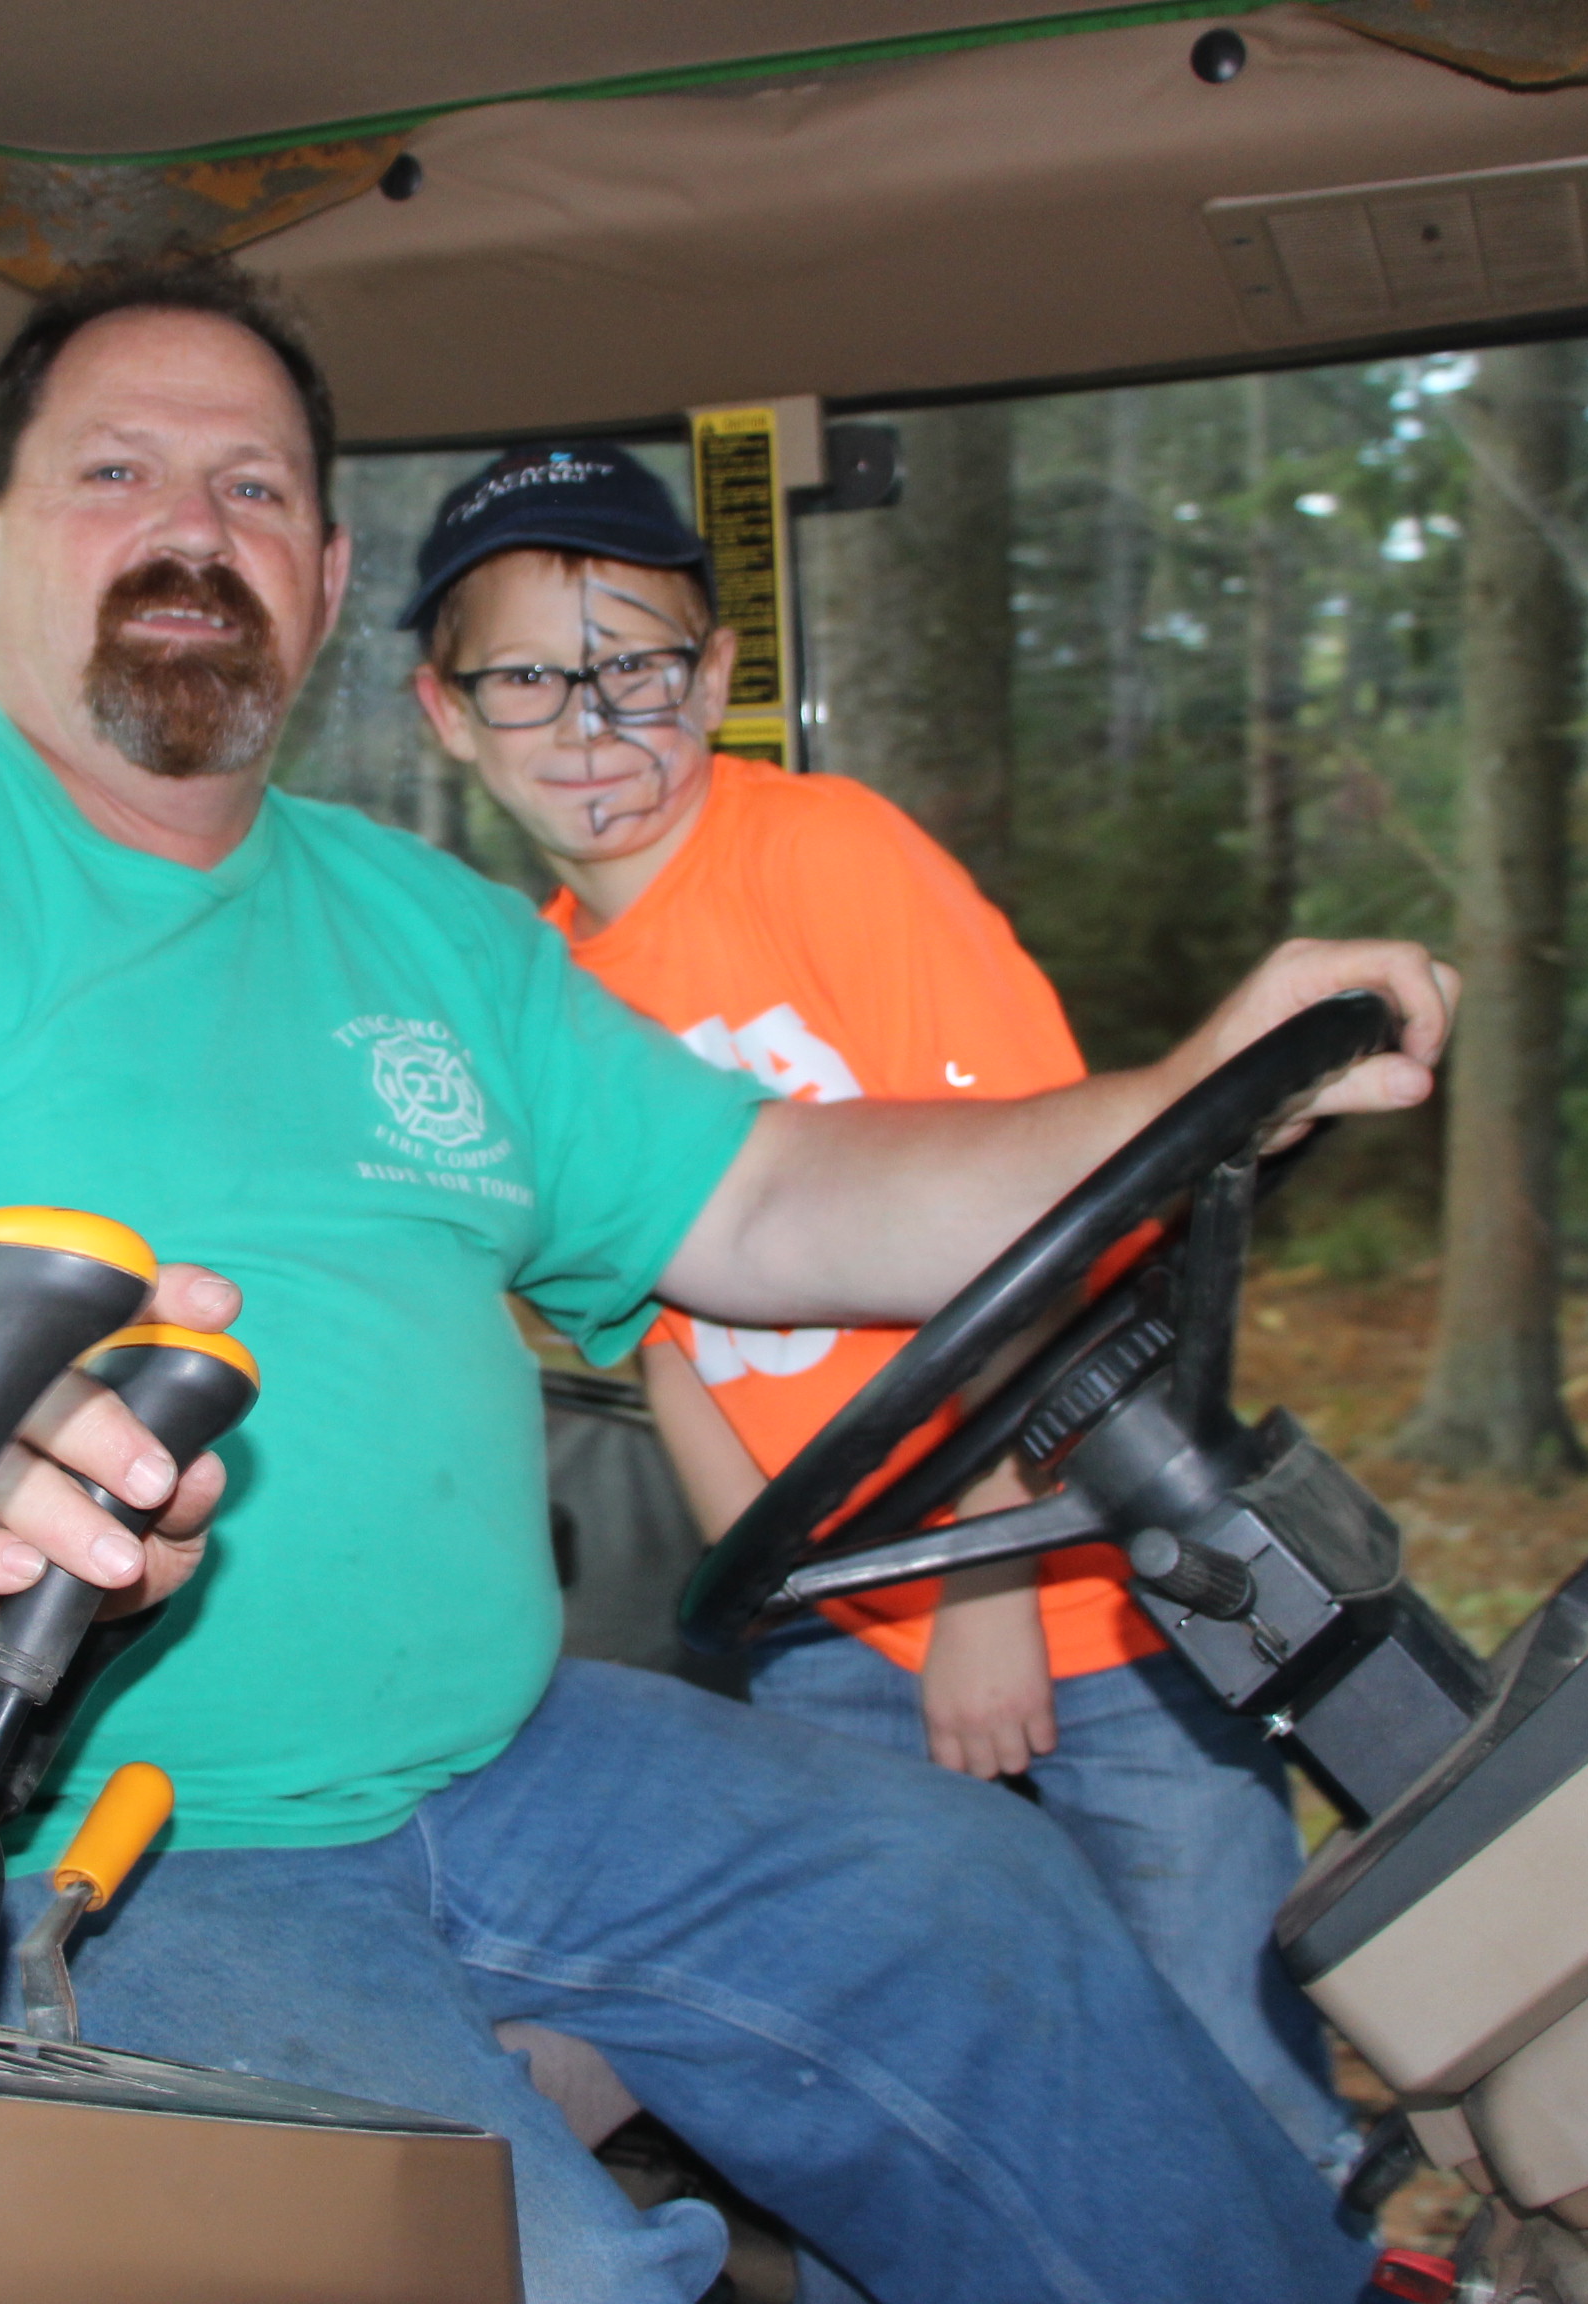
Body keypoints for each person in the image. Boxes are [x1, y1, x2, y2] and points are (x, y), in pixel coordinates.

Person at [0, 252, 1453, 2304]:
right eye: (117, 471)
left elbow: (777, 1194)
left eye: (253, 491)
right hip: (80, 1840)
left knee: (989, 1904)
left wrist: (1195, 1095)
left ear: (326, 583)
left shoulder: (430, 929)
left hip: (510, 1759)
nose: (192, 528)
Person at [401, 446, 1364, 2189]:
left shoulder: (827, 858)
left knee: (1223, 2067)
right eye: (528, 677)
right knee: (886, 2098)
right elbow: (673, 1348)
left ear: (711, 675)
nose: (592, 725)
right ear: (448, 714)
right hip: (835, 1619)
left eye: (636, 669)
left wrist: (983, 1589)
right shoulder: (545, 1002)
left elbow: (1041, 1238)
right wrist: (765, 1619)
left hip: (1071, 1576)